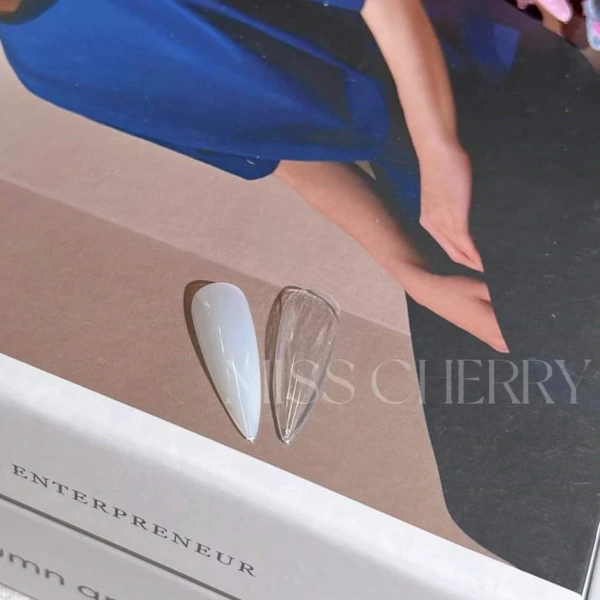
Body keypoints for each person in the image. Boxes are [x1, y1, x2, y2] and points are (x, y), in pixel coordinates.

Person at [0, 0, 508, 351]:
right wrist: (414, 277)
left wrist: (438, 149)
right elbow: (292, 160)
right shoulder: (41, 68)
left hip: (477, 64)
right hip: (421, 160)